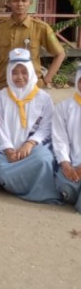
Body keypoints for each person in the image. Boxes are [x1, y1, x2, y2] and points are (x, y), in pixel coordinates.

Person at [0, 48, 61, 203]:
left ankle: (40, 191)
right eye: (15, 72)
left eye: (24, 72)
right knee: (3, 173)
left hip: (33, 148)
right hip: (5, 151)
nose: (19, 77)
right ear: (9, 74)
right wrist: (8, 149)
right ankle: (13, 185)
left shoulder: (43, 98)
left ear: (31, 73)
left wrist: (29, 143)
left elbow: (47, 126)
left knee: (43, 159)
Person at [0, 0, 65, 94]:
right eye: (15, 1)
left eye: (24, 0)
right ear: (8, 3)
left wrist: (46, 80)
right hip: (3, 85)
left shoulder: (41, 28)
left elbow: (60, 54)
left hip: (31, 86)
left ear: (30, 2)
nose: (20, 4)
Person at [53, 66, 81, 214]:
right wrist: (65, 163)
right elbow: (59, 139)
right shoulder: (63, 107)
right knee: (66, 190)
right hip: (71, 164)